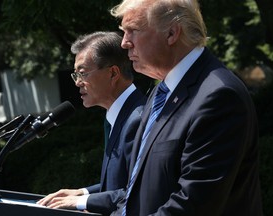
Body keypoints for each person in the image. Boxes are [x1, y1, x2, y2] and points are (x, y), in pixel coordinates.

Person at [105, 0, 263, 215]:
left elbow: (194, 204)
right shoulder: (162, 92)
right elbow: (136, 190)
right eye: (124, 32)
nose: (124, 43)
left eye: (133, 30)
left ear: (171, 34)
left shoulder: (219, 96)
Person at [37, 31, 146, 213]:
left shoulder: (138, 119)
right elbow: (118, 184)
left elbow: (138, 192)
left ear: (113, 73)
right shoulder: (119, 115)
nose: (78, 82)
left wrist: (82, 202)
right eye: (76, 75)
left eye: (83, 74)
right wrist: (82, 192)